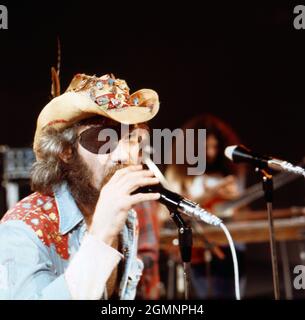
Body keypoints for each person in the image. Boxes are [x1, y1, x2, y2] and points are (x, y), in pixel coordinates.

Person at [0, 73, 161, 300]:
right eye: (102, 140)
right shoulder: (22, 229)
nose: (124, 155)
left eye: (132, 138)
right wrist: (101, 234)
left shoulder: (126, 218)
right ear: (66, 151)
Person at [164, 113, 247, 299]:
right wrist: (213, 192)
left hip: (230, 244)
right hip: (199, 248)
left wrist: (234, 199)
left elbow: (237, 212)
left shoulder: (226, 174)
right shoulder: (179, 174)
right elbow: (175, 207)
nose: (210, 152)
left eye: (214, 146)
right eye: (205, 146)